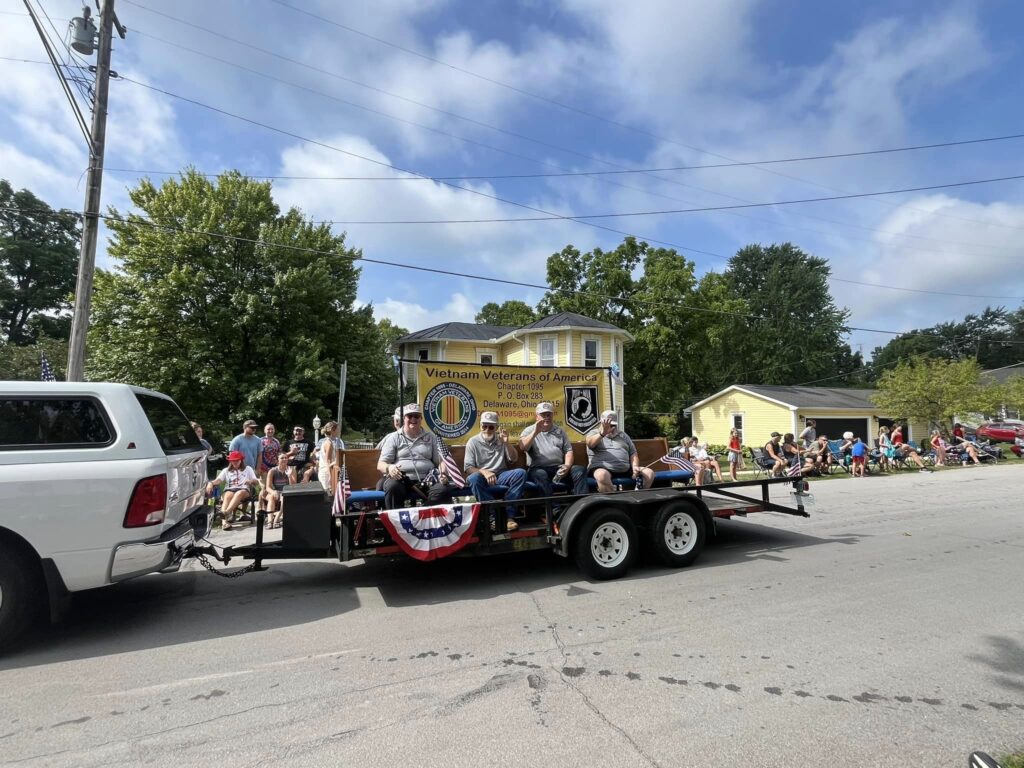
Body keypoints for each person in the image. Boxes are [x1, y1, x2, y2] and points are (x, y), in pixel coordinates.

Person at [376, 403, 454, 509]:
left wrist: (443, 473)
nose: (413, 419)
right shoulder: (394, 437)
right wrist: (389, 467)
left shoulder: (431, 437)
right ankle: (395, 523)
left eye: (416, 416)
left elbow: (441, 461)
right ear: (404, 418)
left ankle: (422, 516)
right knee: (392, 486)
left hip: (427, 479)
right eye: (410, 416)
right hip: (401, 480)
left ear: (421, 418)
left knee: (443, 489)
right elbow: (381, 464)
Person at [464, 412, 527, 531]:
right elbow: (468, 468)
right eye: (484, 426)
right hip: (482, 476)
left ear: (496, 428)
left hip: (500, 474)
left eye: (491, 427)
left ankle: (509, 517)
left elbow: (513, 459)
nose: (487, 429)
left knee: (521, 473)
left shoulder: (501, 440)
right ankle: (494, 515)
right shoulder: (472, 442)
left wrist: (506, 442)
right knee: (473, 478)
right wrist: (485, 472)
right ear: (480, 426)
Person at [519, 402, 588, 500]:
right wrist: (535, 432)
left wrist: (567, 466)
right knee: (540, 474)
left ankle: (580, 505)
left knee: (579, 470)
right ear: (536, 416)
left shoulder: (560, 431)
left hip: (558, 468)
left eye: (549, 414)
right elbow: (523, 447)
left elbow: (568, 451)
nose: (546, 417)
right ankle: (553, 510)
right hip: (538, 468)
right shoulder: (528, 431)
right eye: (543, 415)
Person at [585, 410, 655, 494]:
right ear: (602, 423)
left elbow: (633, 452)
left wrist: (635, 466)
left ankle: (637, 499)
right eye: (609, 425)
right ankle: (613, 503)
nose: (612, 428)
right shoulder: (593, 433)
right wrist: (603, 433)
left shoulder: (623, 435)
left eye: (614, 425)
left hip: (625, 468)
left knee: (649, 473)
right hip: (602, 468)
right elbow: (590, 444)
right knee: (602, 476)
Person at [206, 450, 260, 531]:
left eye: (236, 461)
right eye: (232, 461)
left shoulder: (248, 469)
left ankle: (226, 513)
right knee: (227, 495)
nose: (234, 462)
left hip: (244, 489)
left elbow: (256, 482)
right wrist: (211, 483)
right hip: (230, 489)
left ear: (241, 460)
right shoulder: (226, 470)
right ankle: (224, 523)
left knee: (239, 493)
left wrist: (251, 481)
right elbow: (218, 480)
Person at [262, 453, 292, 529]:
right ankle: (270, 520)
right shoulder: (272, 471)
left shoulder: (291, 470)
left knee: (283, 497)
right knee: (271, 496)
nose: (284, 459)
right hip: (276, 491)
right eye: (282, 458)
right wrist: (273, 492)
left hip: (287, 492)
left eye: (286, 458)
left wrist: (289, 476)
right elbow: (268, 487)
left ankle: (277, 519)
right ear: (278, 460)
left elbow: (293, 486)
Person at [317, 421, 341, 493]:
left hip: (327, 470)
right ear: (333, 430)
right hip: (326, 472)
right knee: (327, 496)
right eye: (337, 429)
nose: (339, 431)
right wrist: (330, 477)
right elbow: (328, 461)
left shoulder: (329, 441)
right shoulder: (328, 443)